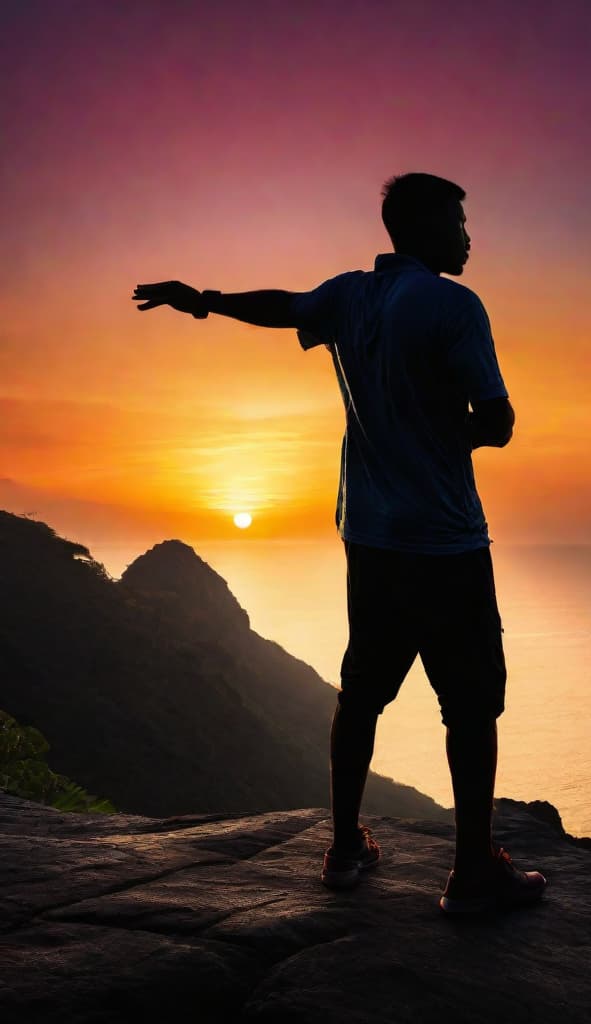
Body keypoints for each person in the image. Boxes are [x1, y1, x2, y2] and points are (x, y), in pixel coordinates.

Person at [132, 171, 547, 914]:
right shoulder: (455, 306)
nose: (468, 237)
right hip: (447, 544)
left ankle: (346, 844)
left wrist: (201, 300)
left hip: (372, 538)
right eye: (458, 223)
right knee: (471, 705)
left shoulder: (349, 296)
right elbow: (499, 419)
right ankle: (473, 872)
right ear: (423, 227)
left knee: (362, 693)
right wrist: (461, 430)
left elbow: (280, 307)